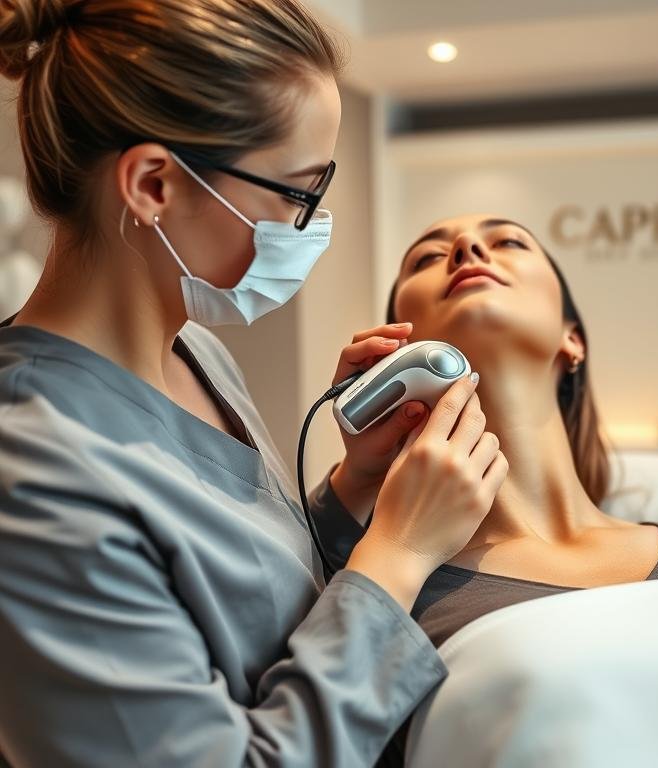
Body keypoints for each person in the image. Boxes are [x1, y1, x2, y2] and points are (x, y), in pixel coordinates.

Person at [0, 3, 508, 766]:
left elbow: (247, 603)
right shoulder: (32, 471)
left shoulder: (198, 355)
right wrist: (401, 551)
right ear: (154, 185)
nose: (309, 227)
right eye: (298, 196)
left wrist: (353, 492)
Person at [313, 213, 658, 764]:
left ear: (571, 339)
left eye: (509, 241)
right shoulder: (386, 595)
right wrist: (357, 481)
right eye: (427, 258)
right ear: (392, 358)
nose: (468, 247)